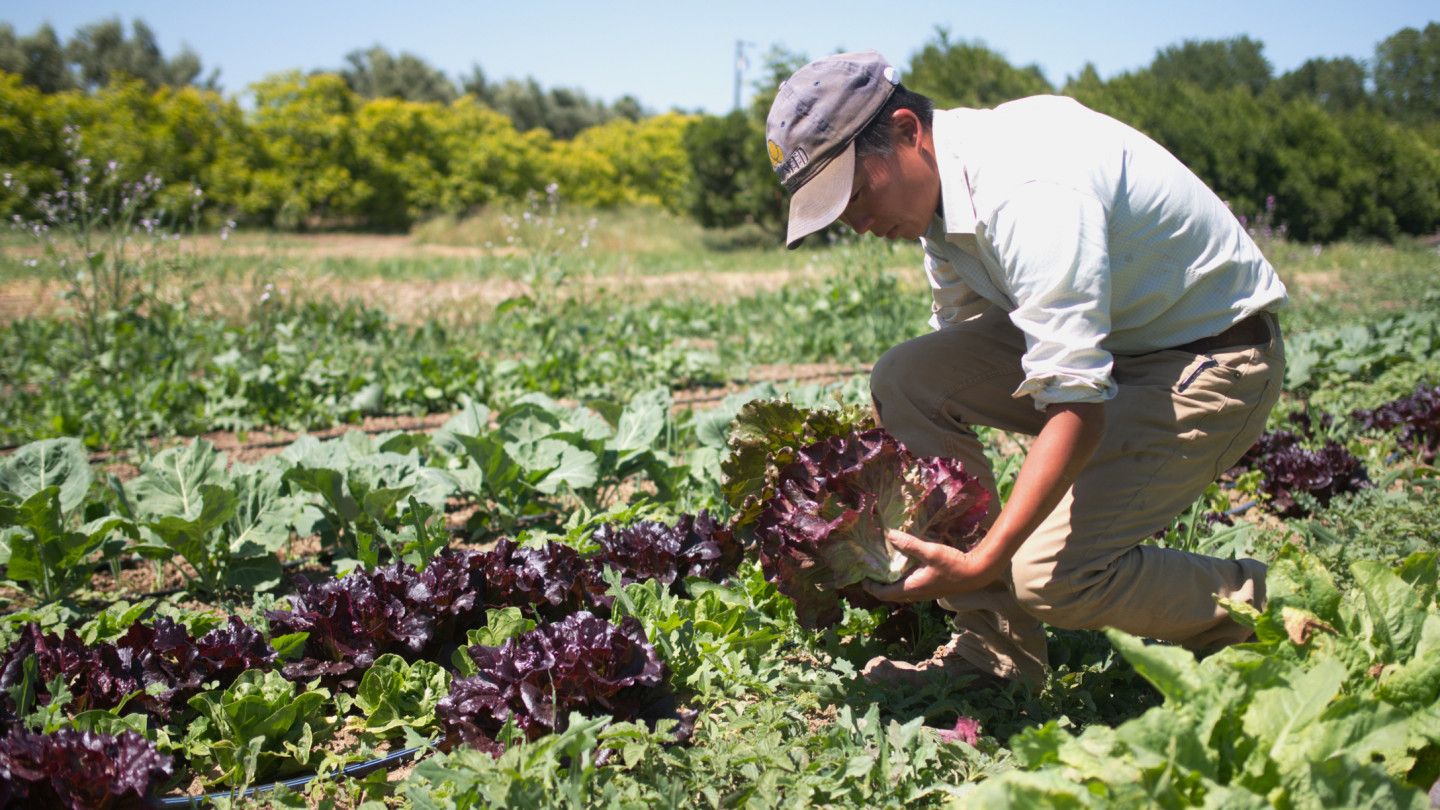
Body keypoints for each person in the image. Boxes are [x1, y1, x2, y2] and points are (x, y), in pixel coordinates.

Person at [764, 51, 1287, 686]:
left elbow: (1077, 407)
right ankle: (998, 657)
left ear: (907, 131)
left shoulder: (1027, 188)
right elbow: (959, 361)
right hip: (1118, 349)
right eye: (835, 211)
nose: (857, 222)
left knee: (1052, 578)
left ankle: (1274, 608)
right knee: (908, 378)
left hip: (1209, 360)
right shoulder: (940, 208)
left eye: (854, 194)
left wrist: (986, 556)